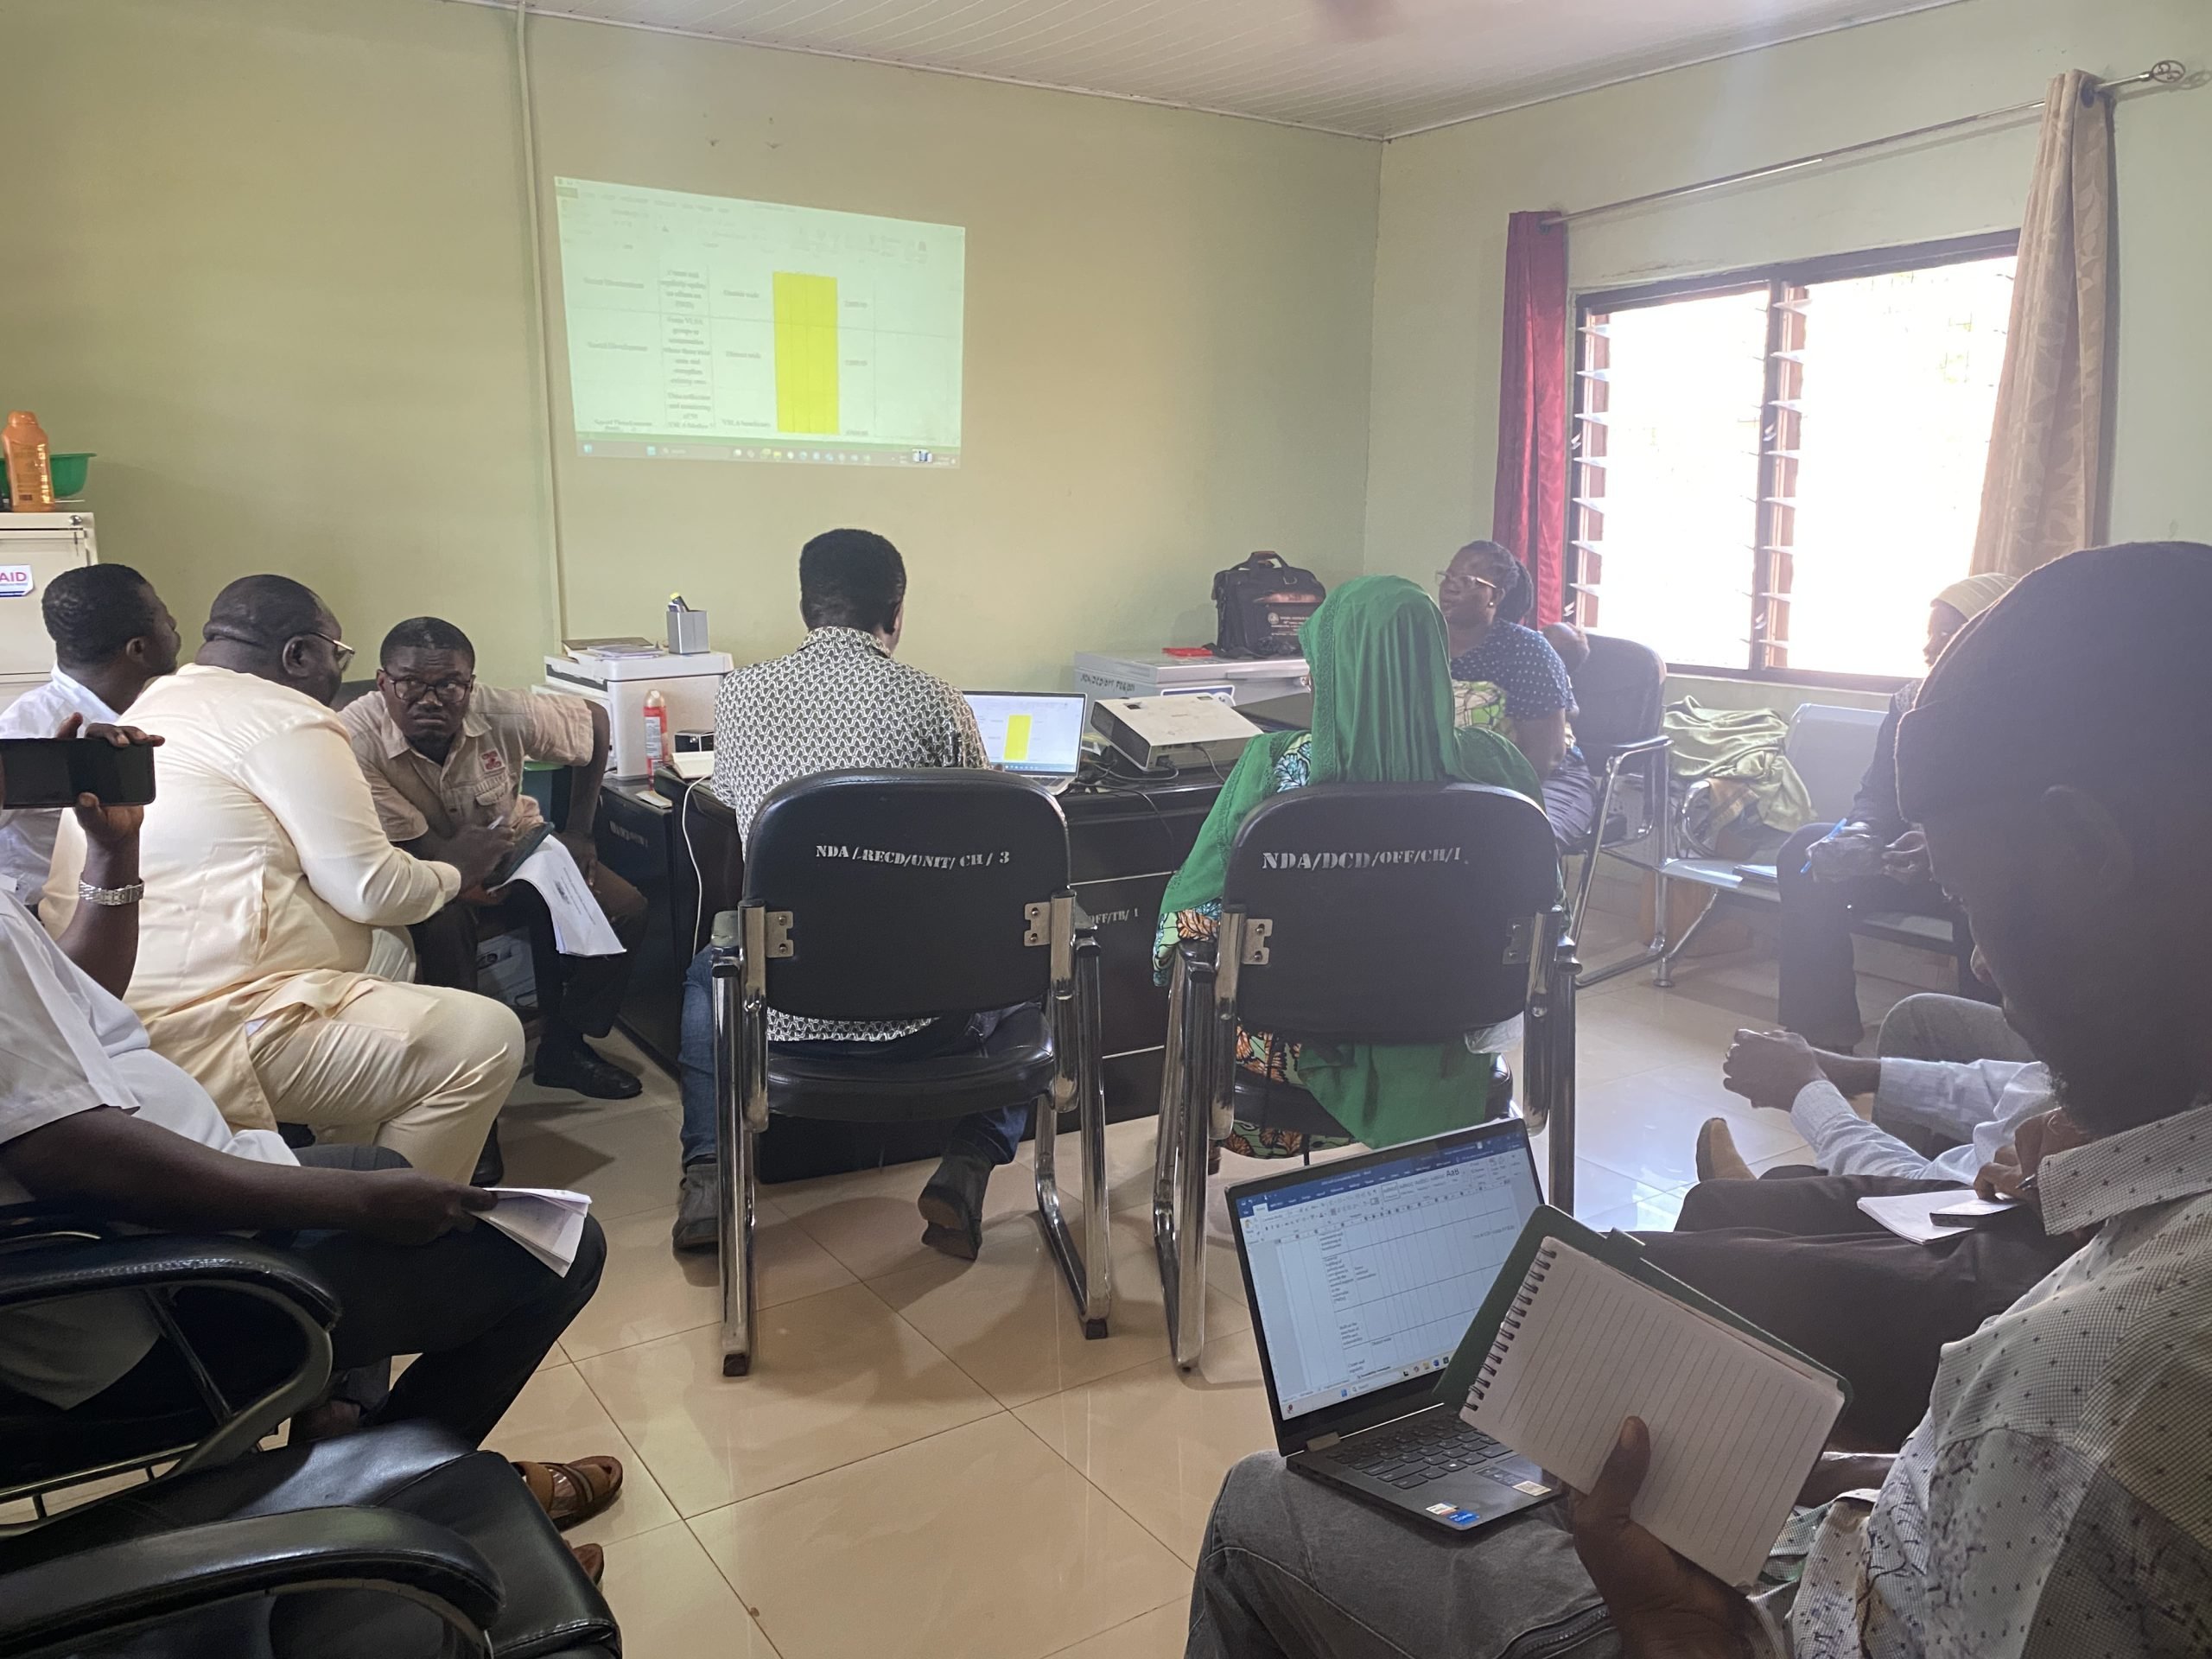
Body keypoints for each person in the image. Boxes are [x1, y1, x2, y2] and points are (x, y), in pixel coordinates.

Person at [1185, 541, 2212, 1659]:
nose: (1979, 967)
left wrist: (1673, 1627)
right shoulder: (1489, 768)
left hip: (1749, 1623)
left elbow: (1187, 927)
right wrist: (1890, 1477)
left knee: (1260, 1501)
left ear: (2083, 851)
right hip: (1461, 1048)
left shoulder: (2070, 1397)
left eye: (1973, 903)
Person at [0, 725, 623, 1576]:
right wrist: (354, 1207)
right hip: (141, 1293)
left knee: (384, 1170)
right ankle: (381, 1522)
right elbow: (67, 1153)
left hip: (152, 1228)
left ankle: (360, 1466)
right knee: (559, 1254)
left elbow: (77, 1003)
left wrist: (114, 855)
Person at [44, 576, 524, 1185]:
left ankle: (346, 1162)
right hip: (199, 1025)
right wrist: (457, 870)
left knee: (389, 952)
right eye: (336, 655)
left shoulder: (157, 702)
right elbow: (371, 889)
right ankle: (396, 1224)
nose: (336, 673)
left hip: (102, 1008)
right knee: (486, 1040)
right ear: (299, 655)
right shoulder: (287, 715)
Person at [671, 529, 1013, 1258]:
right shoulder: (937, 701)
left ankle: (708, 1175)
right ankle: (969, 1161)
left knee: (708, 973)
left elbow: (732, 805)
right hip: (926, 1009)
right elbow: (989, 831)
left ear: (806, 608)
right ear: (896, 612)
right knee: (1031, 968)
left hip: (778, 1003)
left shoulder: (740, 697)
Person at [1155, 575, 1542, 1160]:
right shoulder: (1498, 768)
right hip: (1454, 1043)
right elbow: (1543, 908)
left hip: (1285, 1053)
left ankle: (1181, 1174)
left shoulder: (1276, 765)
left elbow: (1198, 909)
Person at [1642, 1018, 2077, 1446]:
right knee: (1718, 1204)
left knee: (1673, 1266)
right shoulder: (2092, 1041)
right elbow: (2026, 1092)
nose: (1980, 974)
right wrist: (1855, 1074)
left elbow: (1943, 1192)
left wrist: (1811, 1094)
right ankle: (1774, 1206)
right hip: (2014, 1215)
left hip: (2031, 1261)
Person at [342, 617, 645, 1112]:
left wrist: (579, 830)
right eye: (410, 684)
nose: (431, 700)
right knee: (444, 928)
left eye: (449, 685)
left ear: (470, 684)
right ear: (382, 682)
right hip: (421, 866)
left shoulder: (498, 709)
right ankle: (464, 1083)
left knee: (622, 909)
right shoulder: (355, 739)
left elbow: (593, 721)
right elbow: (432, 853)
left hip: (514, 846)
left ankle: (564, 1047)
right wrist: (469, 884)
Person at [1773, 573, 2015, 1049]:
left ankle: (1982, 1052)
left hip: (1979, 867)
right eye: (1930, 633)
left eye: (1947, 632)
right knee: (1804, 850)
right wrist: (1861, 833)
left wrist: (1943, 844)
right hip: (1908, 865)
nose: (1931, 646)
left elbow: (2017, 813)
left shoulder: (2021, 711)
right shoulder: (1908, 703)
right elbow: (1879, 793)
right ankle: (1822, 1037)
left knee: (1979, 879)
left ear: (1989, 634)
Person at [0, 563, 181, 908]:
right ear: (138, 648)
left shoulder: (157, 706)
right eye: (162, 615)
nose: (173, 622)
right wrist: (45, 770)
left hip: (138, 900)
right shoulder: (28, 730)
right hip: (51, 918)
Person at [1438, 539, 1598, 851]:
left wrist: (1488, 806)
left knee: (1518, 844)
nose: (1451, 587)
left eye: (1467, 580)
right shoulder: (1425, 643)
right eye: (1448, 577)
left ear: (1495, 596)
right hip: (1456, 780)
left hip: (1546, 780)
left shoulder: (1526, 651)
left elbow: (1545, 758)